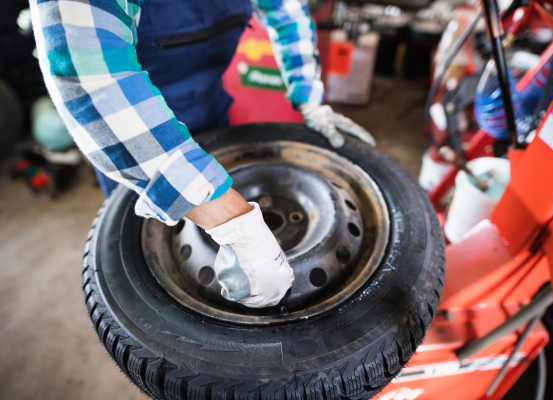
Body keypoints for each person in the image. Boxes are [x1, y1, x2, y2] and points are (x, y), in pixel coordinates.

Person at [30, 0, 375, 308]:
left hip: (211, 109)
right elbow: (83, 68)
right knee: (145, 277)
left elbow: (288, 9)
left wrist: (309, 98)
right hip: (132, 142)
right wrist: (233, 223)